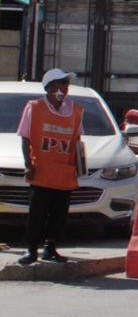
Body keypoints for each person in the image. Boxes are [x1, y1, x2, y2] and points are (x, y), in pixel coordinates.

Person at [17, 68, 87, 265]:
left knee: (59, 213)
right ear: (51, 86)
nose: (66, 88)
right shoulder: (34, 108)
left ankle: (50, 248)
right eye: (63, 83)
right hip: (41, 170)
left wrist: (80, 166)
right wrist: (28, 164)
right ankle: (32, 250)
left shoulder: (75, 110)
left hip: (64, 171)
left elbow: (77, 140)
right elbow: (26, 138)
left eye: (67, 84)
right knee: (37, 212)